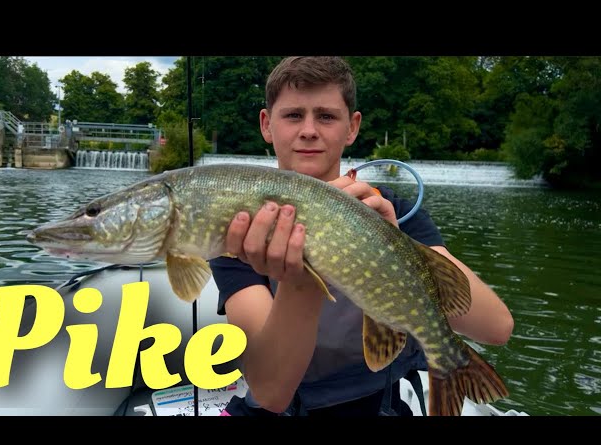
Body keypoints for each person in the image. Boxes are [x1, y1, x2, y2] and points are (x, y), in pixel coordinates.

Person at [209, 56, 514, 416]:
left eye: (326, 116)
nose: (308, 130)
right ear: (267, 124)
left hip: (380, 400)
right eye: (293, 116)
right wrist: (301, 278)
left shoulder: (391, 210)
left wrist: (394, 245)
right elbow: (271, 393)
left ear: (352, 127)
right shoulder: (242, 227)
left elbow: (496, 327)